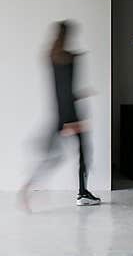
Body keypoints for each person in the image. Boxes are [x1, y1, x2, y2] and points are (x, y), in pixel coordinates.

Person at [23, 21, 101, 207]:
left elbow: (59, 91)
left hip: (59, 114)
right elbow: (66, 92)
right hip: (69, 116)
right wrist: (71, 123)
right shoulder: (68, 58)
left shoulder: (51, 55)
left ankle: (28, 186)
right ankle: (82, 193)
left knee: (56, 156)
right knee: (83, 153)